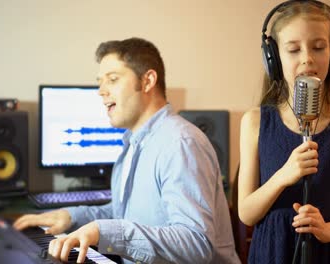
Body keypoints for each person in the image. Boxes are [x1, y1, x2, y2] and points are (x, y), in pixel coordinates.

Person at [14, 37, 240, 264]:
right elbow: (126, 215)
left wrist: (105, 232)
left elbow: (195, 243)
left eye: (112, 79)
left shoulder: (180, 143)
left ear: (148, 81)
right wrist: (72, 217)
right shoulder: (133, 144)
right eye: (100, 82)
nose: (101, 91)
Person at [237, 1, 330, 263]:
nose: (307, 58)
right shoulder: (255, 122)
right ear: (274, 58)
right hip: (271, 254)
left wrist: (329, 230)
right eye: (293, 49)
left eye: (318, 47)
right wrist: (284, 175)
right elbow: (246, 213)